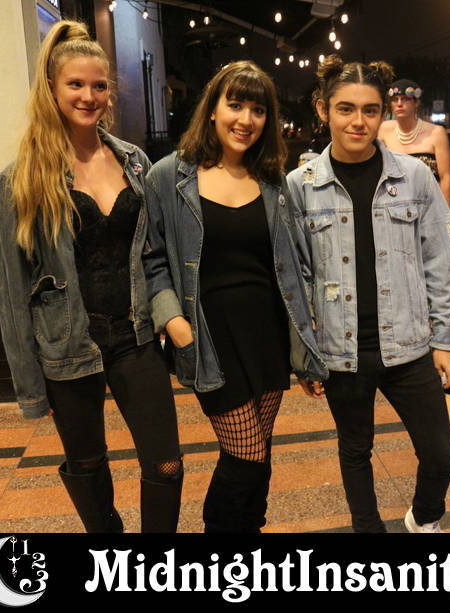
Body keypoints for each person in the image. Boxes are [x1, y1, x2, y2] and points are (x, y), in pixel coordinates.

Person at [0, 21, 182, 533]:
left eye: (98, 85)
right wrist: (31, 388)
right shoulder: (21, 178)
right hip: (67, 346)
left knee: (166, 464)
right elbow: (11, 293)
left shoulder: (135, 162)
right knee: (88, 465)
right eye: (75, 84)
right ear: (52, 89)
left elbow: (155, 254)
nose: (88, 96)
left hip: (136, 337)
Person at [144, 61, 327, 533]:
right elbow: (150, 258)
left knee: (258, 452)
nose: (246, 119)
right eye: (236, 105)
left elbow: (292, 265)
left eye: (258, 110)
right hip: (210, 337)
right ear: (212, 109)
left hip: (267, 333)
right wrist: (173, 322)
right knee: (245, 454)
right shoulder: (169, 176)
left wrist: (305, 345)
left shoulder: (271, 180)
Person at [287, 55, 450, 534]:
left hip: (410, 343)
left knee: (440, 453)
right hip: (341, 349)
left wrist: (443, 339)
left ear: (383, 112)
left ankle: (424, 517)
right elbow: (296, 277)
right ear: (323, 110)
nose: (357, 121)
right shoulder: (300, 186)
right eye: (345, 108)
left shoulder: (414, 176)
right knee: (355, 450)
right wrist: (304, 354)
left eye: (369, 110)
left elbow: (439, 261)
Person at [378, 78, 450, 208]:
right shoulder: (384, 129)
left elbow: (446, 178)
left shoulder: (436, 132)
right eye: (395, 99)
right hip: (394, 206)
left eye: (405, 99)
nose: (399, 104)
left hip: (428, 205)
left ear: (416, 102)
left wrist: (445, 215)